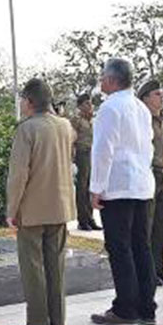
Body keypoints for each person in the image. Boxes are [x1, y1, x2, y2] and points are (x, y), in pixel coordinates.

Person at [5, 78, 77, 325]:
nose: (21, 103)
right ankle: (57, 324)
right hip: (59, 207)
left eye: (23, 99)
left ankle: (38, 324)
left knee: (33, 268)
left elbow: (18, 174)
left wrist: (11, 209)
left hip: (33, 209)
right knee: (55, 267)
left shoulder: (27, 129)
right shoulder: (65, 126)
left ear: (30, 101)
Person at [89, 58, 157, 325]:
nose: (101, 81)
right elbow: (149, 147)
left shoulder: (110, 108)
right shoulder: (140, 107)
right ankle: (146, 307)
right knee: (142, 246)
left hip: (118, 186)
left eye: (103, 76)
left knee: (120, 248)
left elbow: (103, 150)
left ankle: (126, 308)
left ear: (113, 79)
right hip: (141, 184)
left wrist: (96, 188)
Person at [138, 79, 163, 286]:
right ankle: (148, 273)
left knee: (162, 225)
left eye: (162, 94)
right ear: (145, 98)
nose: (162, 98)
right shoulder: (142, 120)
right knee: (148, 225)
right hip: (149, 173)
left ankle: (159, 270)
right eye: (157, 95)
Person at [71, 93, 100, 231]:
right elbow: (71, 140)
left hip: (92, 154)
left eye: (90, 103)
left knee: (90, 187)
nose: (90, 106)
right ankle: (82, 220)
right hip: (81, 154)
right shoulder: (76, 120)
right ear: (80, 106)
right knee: (82, 188)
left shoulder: (93, 121)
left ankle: (90, 218)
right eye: (86, 104)